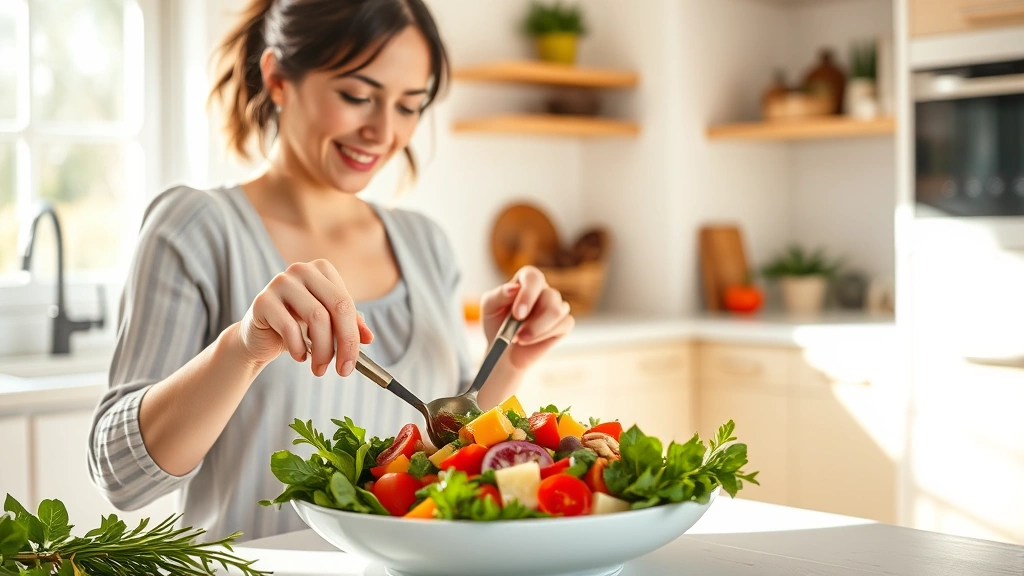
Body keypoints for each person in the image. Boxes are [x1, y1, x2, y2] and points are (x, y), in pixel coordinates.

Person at [87, 0, 574, 542]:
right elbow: (120, 476)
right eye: (357, 96)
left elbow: (450, 442)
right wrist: (243, 348)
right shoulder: (197, 228)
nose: (383, 131)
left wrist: (507, 360)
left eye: (409, 106)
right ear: (277, 78)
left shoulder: (425, 243)